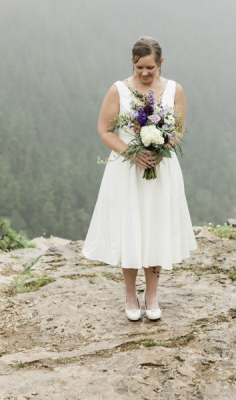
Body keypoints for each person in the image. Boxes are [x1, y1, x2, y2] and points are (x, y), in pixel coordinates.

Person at [82, 36, 197, 321]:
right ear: (132, 63)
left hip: (161, 170)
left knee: (156, 228)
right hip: (126, 170)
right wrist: (132, 154)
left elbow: (179, 129)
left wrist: (162, 147)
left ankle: (153, 294)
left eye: (150, 67)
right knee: (129, 228)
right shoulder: (118, 91)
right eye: (138, 67)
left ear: (160, 63)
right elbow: (105, 130)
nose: (144, 73)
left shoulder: (174, 90)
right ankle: (131, 294)